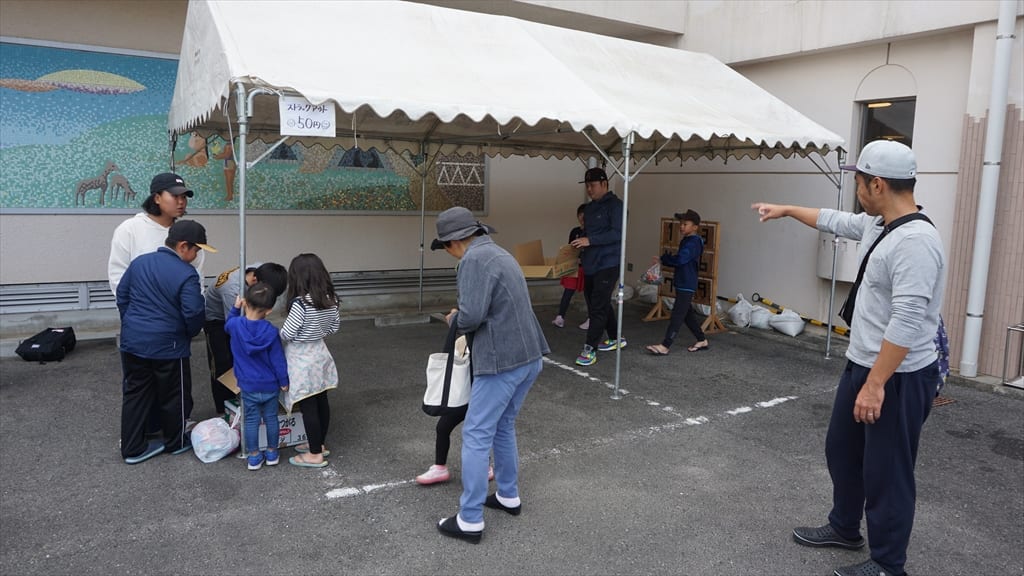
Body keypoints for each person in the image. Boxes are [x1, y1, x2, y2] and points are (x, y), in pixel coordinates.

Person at [752, 139, 945, 576]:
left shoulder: (915, 242)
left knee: (887, 471)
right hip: (863, 364)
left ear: (877, 184)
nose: (855, 190)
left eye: (858, 182)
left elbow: (909, 320)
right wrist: (784, 209)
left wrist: (876, 384)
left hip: (896, 376)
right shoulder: (880, 224)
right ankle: (844, 527)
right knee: (843, 450)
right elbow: (831, 219)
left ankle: (888, 565)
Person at [430, 206, 549, 544]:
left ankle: (469, 519)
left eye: (446, 247)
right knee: (502, 426)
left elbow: (470, 317)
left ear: (454, 241)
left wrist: (453, 317)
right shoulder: (498, 252)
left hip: (502, 361)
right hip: (529, 356)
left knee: (477, 435)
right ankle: (508, 495)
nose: (449, 253)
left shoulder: (472, 261)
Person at [117, 220, 214, 464]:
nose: (197, 255)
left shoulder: (140, 262)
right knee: (175, 395)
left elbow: (122, 295)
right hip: (169, 345)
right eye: (197, 249)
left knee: (135, 393)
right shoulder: (186, 273)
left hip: (133, 341)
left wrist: (131, 324)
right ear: (183, 246)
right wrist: (187, 334)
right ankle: (175, 441)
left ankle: (133, 447)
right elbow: (193, 312)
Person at [280, 253, 341, 468]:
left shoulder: (300, 304)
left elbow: (287, 333)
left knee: (308, 405)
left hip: (301, 359)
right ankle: (319, 444)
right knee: (321, 399)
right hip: (321, 354)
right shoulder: (329, 299)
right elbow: (334, 328)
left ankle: (314, 454)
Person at [203, 262, 288, 415]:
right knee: (222, 363)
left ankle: (248, 398)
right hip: (217, 319)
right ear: (256, 282)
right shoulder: (234, 291)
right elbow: (236, 328)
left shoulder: (263, 270)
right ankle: (224, 411)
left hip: (237, 315)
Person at [224, 283, 289, 471]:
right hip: (270, 384)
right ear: (269, 310)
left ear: (246, 302)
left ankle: (253, 456)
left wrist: (236, 308)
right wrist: (283, 381)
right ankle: (272, 453)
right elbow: (278, 360)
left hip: (247, 384)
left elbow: (228, 324)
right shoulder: (270, 331)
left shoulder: (235, 326)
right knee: (271, 418)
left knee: (251, 420)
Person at [109, 172, 203, 295]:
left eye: (184, 197)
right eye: (175, 196)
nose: (181, 202)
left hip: (181, 310)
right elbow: (118, 275)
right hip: (141, 310)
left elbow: (197, 276)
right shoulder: (129, 229)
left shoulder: (189, 233)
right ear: (157, 198)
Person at [570, 167, 625, 366]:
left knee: (598, 306)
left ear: (604, 184)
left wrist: (590, 240)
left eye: (592, 185)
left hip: (609, 262)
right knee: (596, 303)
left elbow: (618, 233)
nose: (589, 190)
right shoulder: (590, 208)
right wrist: (579, 245)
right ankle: (615, 338)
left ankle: (590, 349)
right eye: (587, 186)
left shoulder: (617, 206)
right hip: (591, 262)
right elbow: (587, 235)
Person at [645, 210, 709, 355]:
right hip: (683, 282)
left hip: (687, 283)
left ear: (695, 227)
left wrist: (665, 259)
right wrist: (663, 260)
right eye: (681, 224)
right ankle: (701, 339)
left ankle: (665, 345)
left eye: (685, 224)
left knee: (677, 315)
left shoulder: (693, 242)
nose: (681, 226)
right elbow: (681, 259)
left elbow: (681, 259)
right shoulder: (688, 241)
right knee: (686, 314)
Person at [552, 203, 587, 329]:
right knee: (568, 290)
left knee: (589, 293)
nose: (582, 218)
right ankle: (560, 317)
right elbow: (570, 249)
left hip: (587, 267)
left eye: (585, 215)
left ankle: (591, 319)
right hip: (574, 266)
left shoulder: (593, 232)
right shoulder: (575, 231)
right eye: (580, 215)